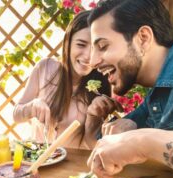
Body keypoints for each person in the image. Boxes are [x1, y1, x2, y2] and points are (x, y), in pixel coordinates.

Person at [86, 0, 173, 178]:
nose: (92, 61)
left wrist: (140, 142)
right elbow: (104, 146)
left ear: (143, 38)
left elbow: (138, 142)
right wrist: (131, 130)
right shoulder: (158, 93)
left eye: (103, 46)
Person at [13, 11, 114, 149]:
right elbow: (16, 115)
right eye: (81, 44)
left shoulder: (101, 85)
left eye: (95, 47)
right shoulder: (45, 67)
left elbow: (93, 144)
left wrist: (93, 117)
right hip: (38, 160)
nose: (88, 56)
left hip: (71, 165)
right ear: (68, 43)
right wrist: (32, 107)